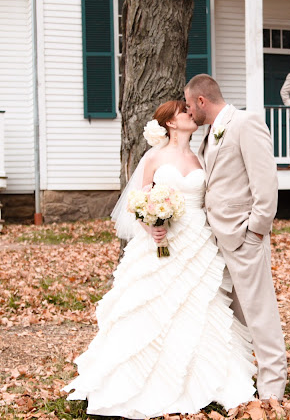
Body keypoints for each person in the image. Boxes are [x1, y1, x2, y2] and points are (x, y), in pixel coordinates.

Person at [63, 100, 257, 418]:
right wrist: (151, 225)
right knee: (152, 306)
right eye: (183, 112)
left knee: (200, 307)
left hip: (199, 243)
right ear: (169, 123)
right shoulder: (153, 157)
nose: (190, 115)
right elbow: (138, 200)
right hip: (161, 242)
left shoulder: (201, 158)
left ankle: (208, 379)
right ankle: (138, 380)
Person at [184, 75, 287, 403]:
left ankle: (273, 388)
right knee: (234, 314)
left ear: (202, 101)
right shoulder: (208, 136)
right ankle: (241, 379)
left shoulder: (246, 123)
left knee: (260, 312)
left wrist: (255, 231)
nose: (188, 112)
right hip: (215, 239)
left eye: (189, 105)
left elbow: (265, 184)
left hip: (244, 236)